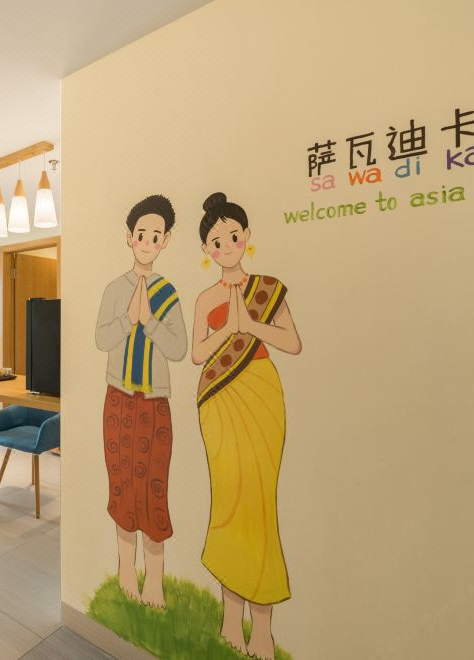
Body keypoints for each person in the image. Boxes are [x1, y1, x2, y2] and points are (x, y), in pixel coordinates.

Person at [191, 192, 302, 660]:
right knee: (228, 502)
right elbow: (198, 353)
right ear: (207, 250)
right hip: (219, 400)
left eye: (233, 237)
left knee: (259, 503)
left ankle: (263, 628)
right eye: (217, 242)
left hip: (261, 392)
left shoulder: (268, 288)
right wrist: (227, 327)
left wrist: (250, 326)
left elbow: (292, 342)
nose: (226, 247)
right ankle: (230, 618)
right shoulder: (206, 298)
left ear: (246, 237)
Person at [94, 194, 187, 608]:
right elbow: (102, 339)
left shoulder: (168, 292)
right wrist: (127, 318)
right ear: (130, 237)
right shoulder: (115, 289)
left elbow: (179, 348)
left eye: (156, 235)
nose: (148, 241)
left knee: (153, 487)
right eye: (141, 234)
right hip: (118, 399)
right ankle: (126, 572)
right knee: (121, 484)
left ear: (165, 241)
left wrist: (148, 321)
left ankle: (155, 582)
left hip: (153, 403)